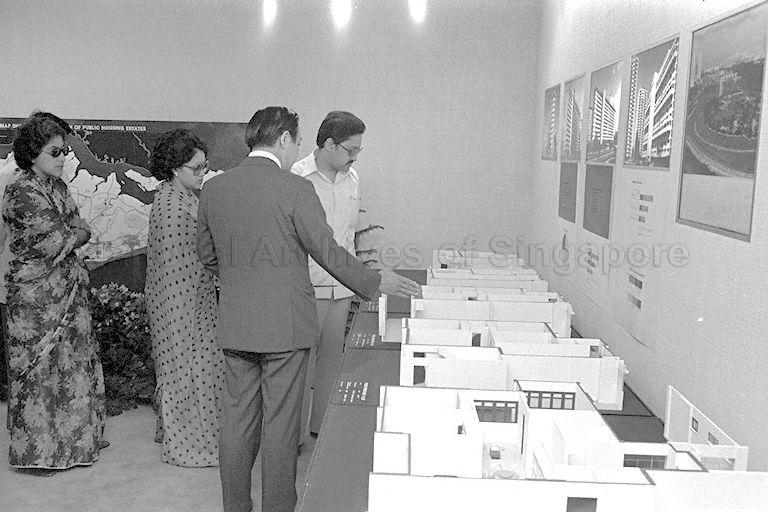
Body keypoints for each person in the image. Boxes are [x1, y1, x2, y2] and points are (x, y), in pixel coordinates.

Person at [197, 106, 421, 512]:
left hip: (236, 326)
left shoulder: (214, 189)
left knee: (236, 422)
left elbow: (208, 257)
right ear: (284, 139)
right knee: (281, 426)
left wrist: (243, 279)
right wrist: (374, 280)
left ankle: (235, 507)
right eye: (296, 141)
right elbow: (328, 252)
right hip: (286, 327)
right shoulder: (296, 189)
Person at [3, 112, 105, 471]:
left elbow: (81, 226)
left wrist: (76, 233)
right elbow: (58, 240)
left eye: (65, 151)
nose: (63, 158)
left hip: (66, 295)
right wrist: (76, 234)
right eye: (55, 151)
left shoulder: (58, 187)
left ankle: (75, 448)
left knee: (72, 369)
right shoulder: (20, 191)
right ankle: (39, 455)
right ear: (33, 154)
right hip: (34, 306)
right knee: (39, 377)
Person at [145, 129, 223, 467]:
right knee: (188, 370)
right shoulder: (172, 208)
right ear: (175, 168)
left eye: (205, 166)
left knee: (200, 369)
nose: (203, 173)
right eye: (197, 167)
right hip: (179, 306)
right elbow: (175, 269)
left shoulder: (186, 196)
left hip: (196, 300)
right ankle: (190, 445)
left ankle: (195, 433)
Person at [291, 110, 367, 439]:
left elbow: (346, 238)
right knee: (298, 368)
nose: (355, 157)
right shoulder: (297, 176)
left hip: (341, 290)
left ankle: (319, 428)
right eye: (351, 150)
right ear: (330, 145)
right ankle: (289, 437)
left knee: (331, 363)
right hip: (307, 287)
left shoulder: (353, 179)